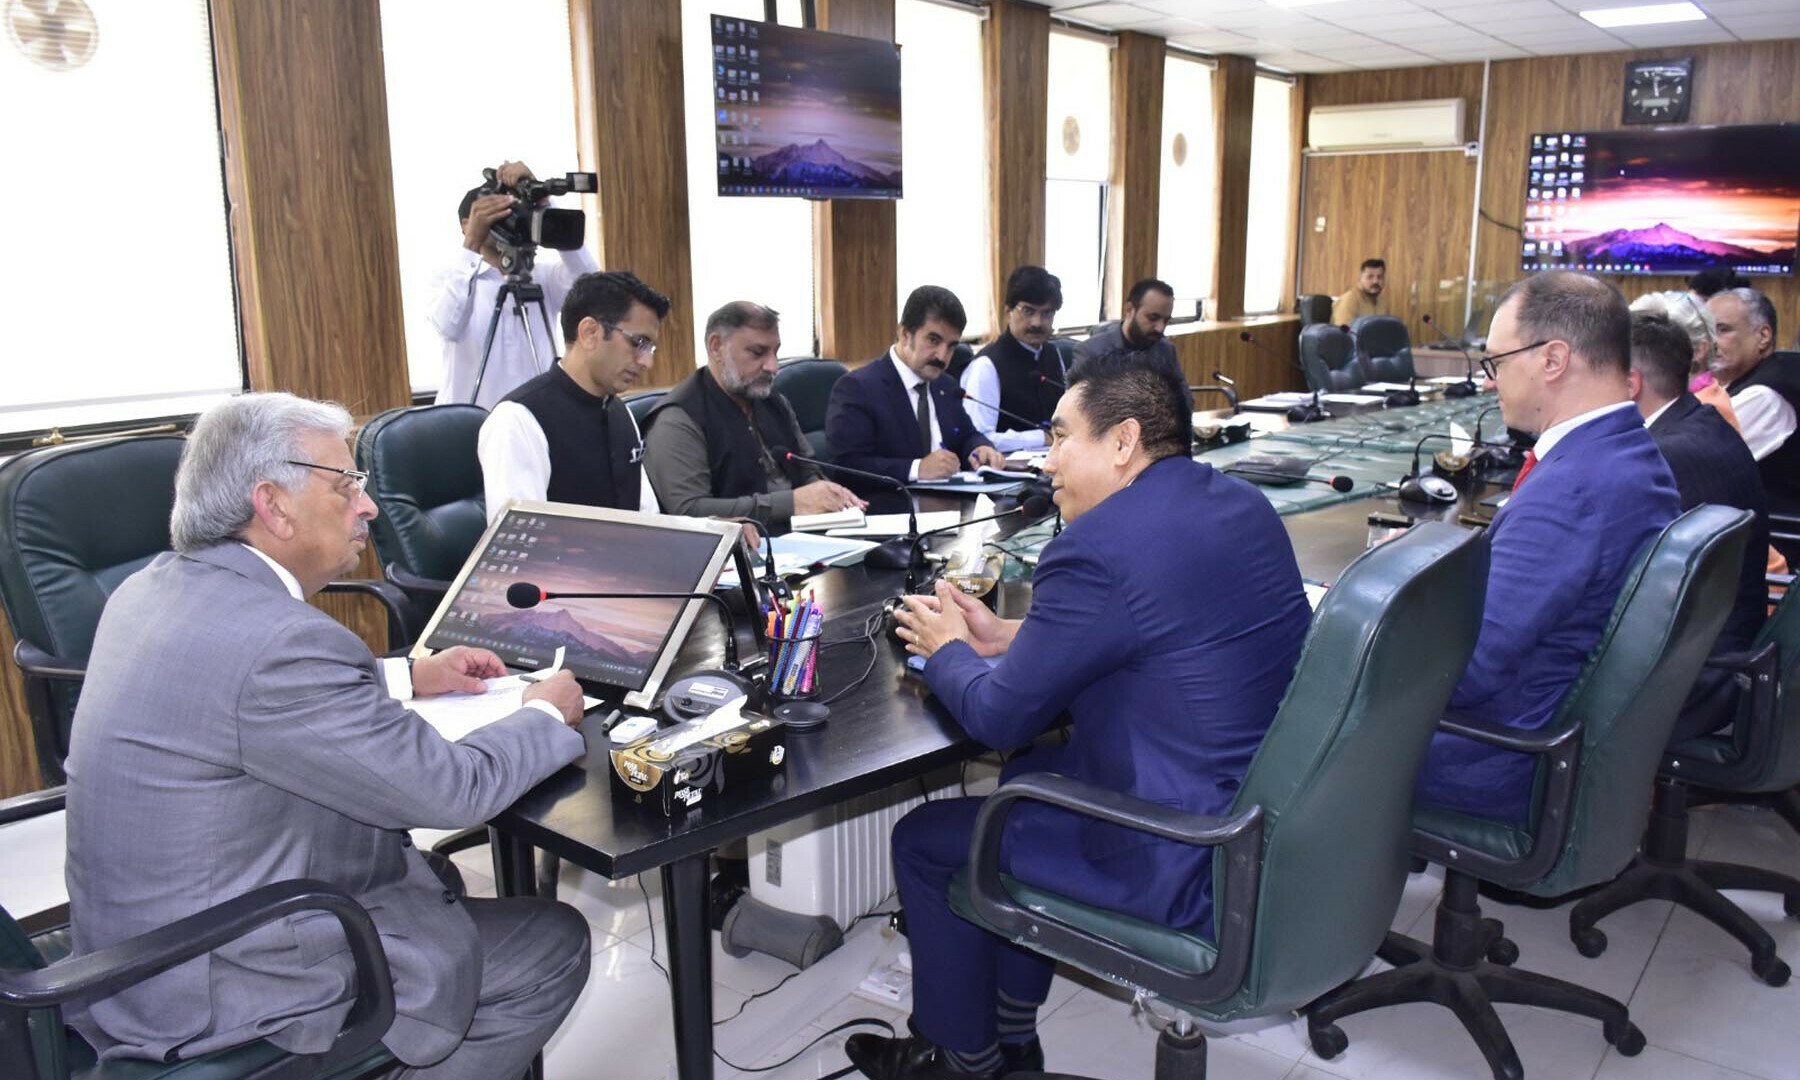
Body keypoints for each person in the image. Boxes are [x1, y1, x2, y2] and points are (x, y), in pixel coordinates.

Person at [63, 393, 591, 1079]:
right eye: (345, 486)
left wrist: (407, 676)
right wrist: (546, 713)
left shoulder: (151, 589)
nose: (368, 507)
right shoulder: (283, 642)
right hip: (228, 987)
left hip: (129, 964)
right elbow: (455, 791)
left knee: (437, 882)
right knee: (553, 942)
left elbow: (232, 685)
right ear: (273, 505)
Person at [849, 352, 1311, 1080]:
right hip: (1264, 816)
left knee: (925, 838)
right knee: (1030, 774)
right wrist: (1005, 638)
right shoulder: (1237, 503)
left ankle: (963, 1056)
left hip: (1181, 854)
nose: (1047, 460)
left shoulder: (1096, 545)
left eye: (1062, 438)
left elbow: (998, 720)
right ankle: (1011, 1030)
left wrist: (945, 652)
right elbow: (1160, 627)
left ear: (1123, 441)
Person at [1415, 271, 1680, 822]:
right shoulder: (1631, 453)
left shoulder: (1573, 491)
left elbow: (1466, 671)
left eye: (1495, 363)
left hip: (1492, 756)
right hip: (1556, 732)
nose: (1489, 382)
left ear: (1553, 360)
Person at [1629, 311, 1771, 740]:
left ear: (1629, 383)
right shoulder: (1703, 423)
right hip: (1730, 654)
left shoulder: (1660, 458)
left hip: (1695, 679)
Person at [642, 301, 864, 533]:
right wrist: (792, 503)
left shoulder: (773, 400)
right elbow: (689, 511)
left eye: (775, 352)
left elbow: (806, 469)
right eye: (758, 353)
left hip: (807, 536)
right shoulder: (678, 418)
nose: (773, 366)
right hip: (739, 555)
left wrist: (828, 494)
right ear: (716, 347)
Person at [479, 270, 666, 524]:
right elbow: (522, 546)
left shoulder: (619, 412)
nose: (647, 362)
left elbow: (649, 522)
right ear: (590, 333)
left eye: (650, 348)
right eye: (638, 343)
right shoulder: (517, 420)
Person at [428, 160, 600, 409]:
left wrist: (545, 204)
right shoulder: (451, 276)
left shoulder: (540, 276)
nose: (504, 220)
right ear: (466, 224)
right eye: (491, 214)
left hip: (534, 420)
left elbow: (593, 289)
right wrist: (471, 245)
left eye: (509, 212)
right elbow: (448, 326)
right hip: (467, 425)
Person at [824, 285, 1007, 498]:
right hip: (891, 512)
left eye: (951, 346)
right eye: (934, 340)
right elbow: (846, 467)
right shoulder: (858, 388)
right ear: (904, 334)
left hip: (951, 507)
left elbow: (967, 435)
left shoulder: (945, 386)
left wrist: (981, 448)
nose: (942, 355)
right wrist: (917, 469)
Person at [1706, 287, 1800, 553]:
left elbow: (1700, 460)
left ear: (1763, 336)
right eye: (1709, 331)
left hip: (1775, 552)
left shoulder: (1766, 393)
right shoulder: (1748, 379)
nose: (1712, 342)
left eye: (1723, 330)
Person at [962, 266, 1070, 453]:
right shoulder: (986, 366)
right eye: (1028, 311)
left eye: (1046, 313)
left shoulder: (1053, 353)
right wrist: (1039, 437)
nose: (1037, 322)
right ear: (1008, 310)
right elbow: (977, 439)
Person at [1073, 278, 1181, 382]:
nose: (1160, 328)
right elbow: (1079, 400)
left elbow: (1183, 397)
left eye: (1166, 321)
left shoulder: (1165, 350)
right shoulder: (1091, 352)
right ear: (1129, 309)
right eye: (1153, 318)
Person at [1331, 258, 1388, 326]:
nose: (1375, 281)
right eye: (1370, 277)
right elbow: (1343, 331)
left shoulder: (1382, 301)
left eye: (1380, 277)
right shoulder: (1350, 299)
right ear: (1360, 278)